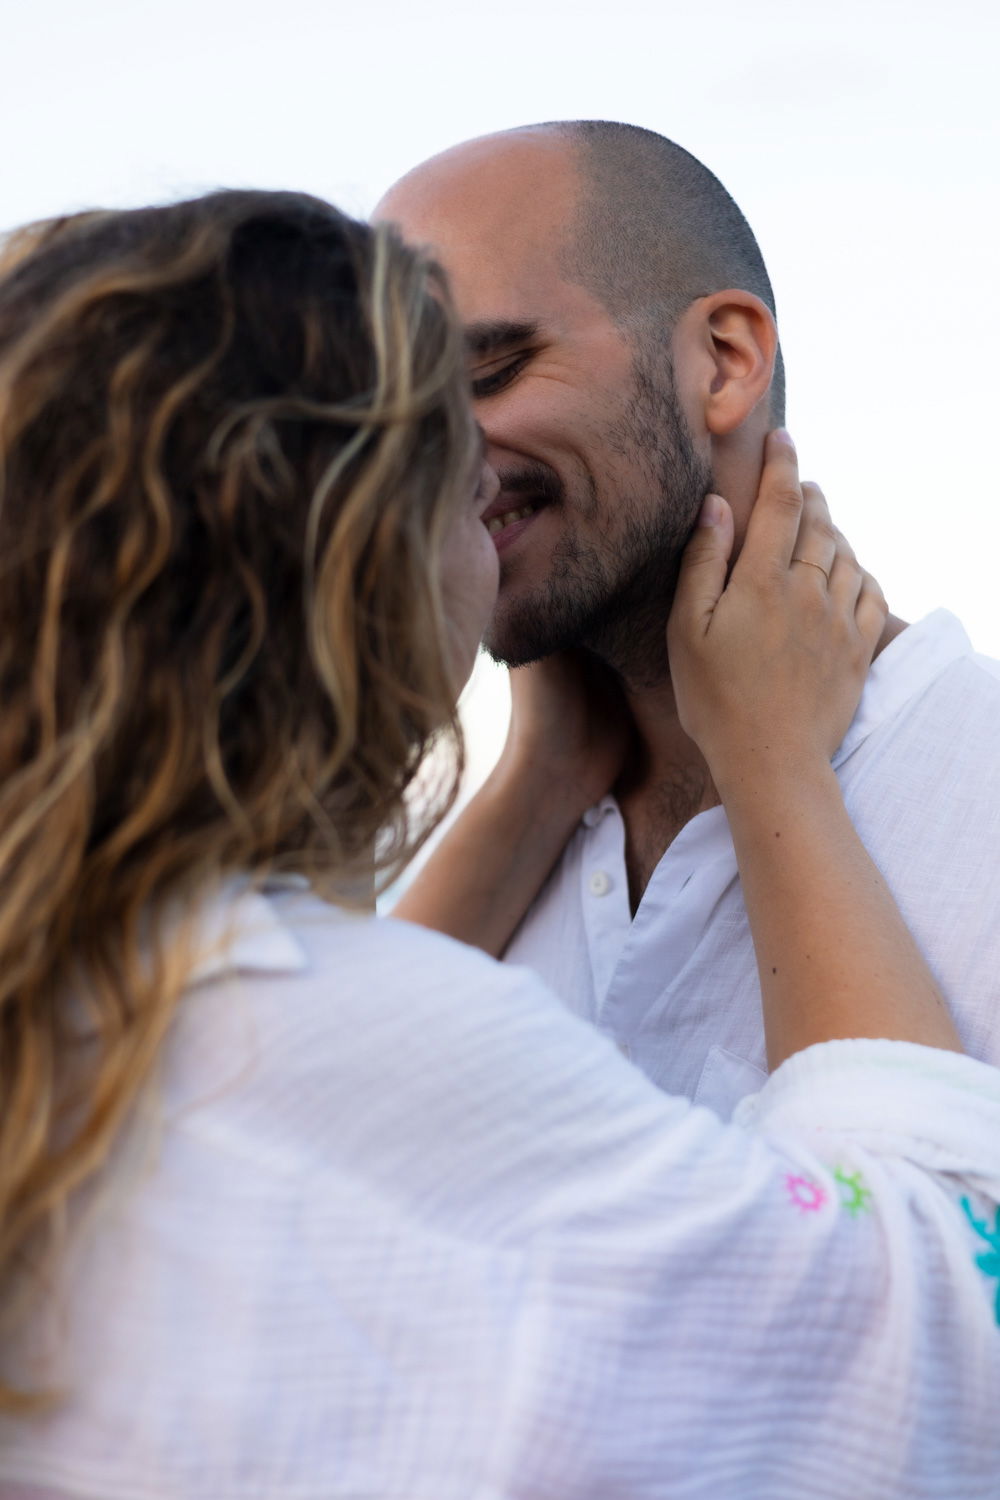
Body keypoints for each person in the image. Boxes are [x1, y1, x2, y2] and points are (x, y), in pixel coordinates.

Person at [0, 189, 995, 1500]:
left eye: (491, 369)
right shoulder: (287, 1022)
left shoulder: (93, 967)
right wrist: (777, 772)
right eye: (429, 423)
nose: (469, 465)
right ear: (332, 544)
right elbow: (937, 1339)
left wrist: (534, 783)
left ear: (725, 360)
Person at [376, 122, 1000, 1117]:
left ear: (723, 359)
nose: (425, 458)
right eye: (394, 418)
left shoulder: (970, 783)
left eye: (486, 372)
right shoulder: (511, 838)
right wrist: (536, 784)